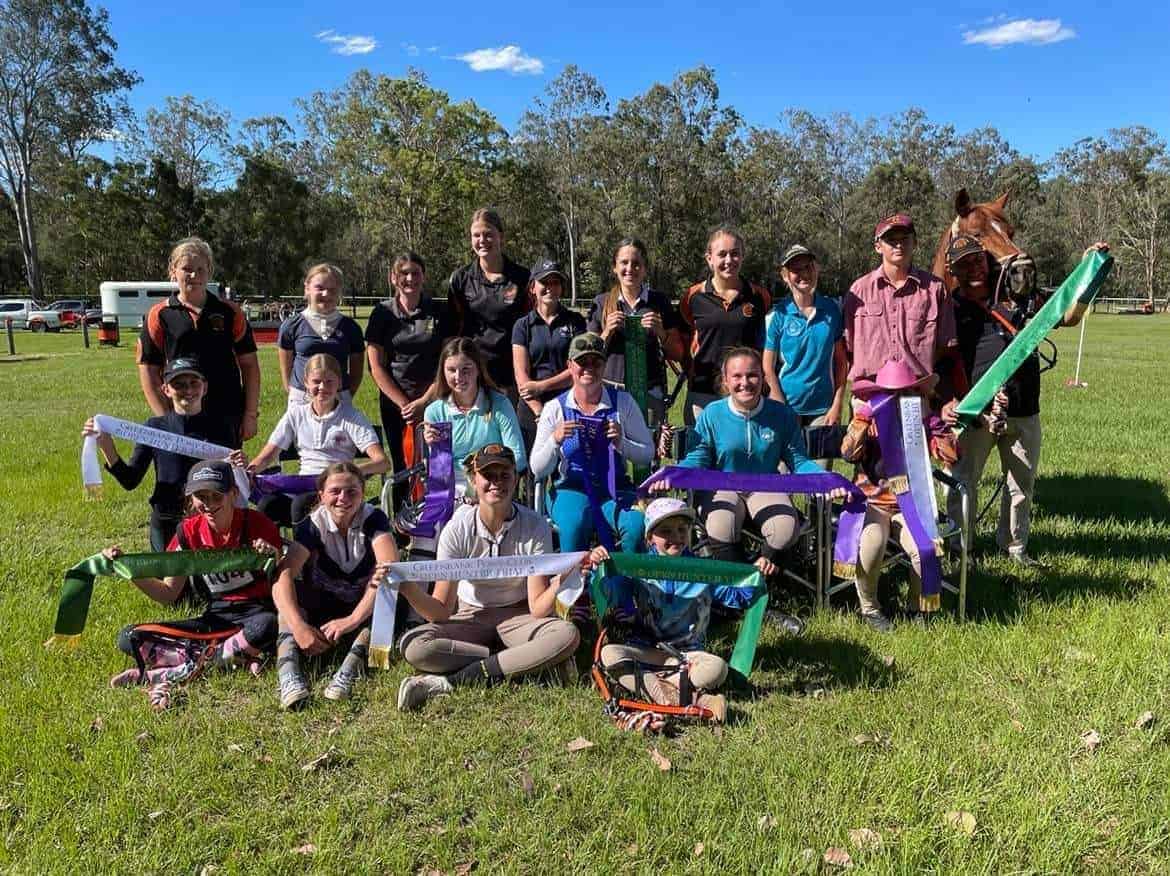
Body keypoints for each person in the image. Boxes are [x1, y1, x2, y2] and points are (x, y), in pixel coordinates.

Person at [394, 444, 581, 711]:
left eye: (504, 475)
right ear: (473, 479)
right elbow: (441, 611)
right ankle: (519, 661)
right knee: (415, 646)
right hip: (470, 615)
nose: (496, 483)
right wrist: (406, 588)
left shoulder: (535, 525)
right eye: (488, 475)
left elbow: (538, 608)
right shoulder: (457, 529)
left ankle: (452, 681)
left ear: (515, 479)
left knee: (567, 634)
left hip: (519, 615)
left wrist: (563, 579)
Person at [103, 460, 281, 706]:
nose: (208, 504)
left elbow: (283, 570)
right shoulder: (187, 532)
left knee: (267, 625)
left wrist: (271, 554)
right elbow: (168, 593)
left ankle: (163, 673)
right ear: (191, 498)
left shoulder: (257, 523)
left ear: (233, 494)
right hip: (215, 621)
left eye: (216, 496)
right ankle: (228, 658)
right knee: (130, 637)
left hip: (256, 615)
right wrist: (129, 570)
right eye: (201, 497)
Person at [587, 498, 771, 723]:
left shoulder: (704, 570)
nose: (676, 537)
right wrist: (598, 567)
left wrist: (756, 575)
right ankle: (693, 700)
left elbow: (739, 598)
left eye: (682, 530)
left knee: (717, 668)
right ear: (649, 538)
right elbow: (611, 592)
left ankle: (654, 692)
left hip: (687, 658)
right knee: (609, 654)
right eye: (666, 531)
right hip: (646, 651)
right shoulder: (638, 566)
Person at [943, 233, 1045, 565]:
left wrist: (1090, 268)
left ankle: (1015, 548)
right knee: (963, 482)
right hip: (977, 411)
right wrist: (952, 401)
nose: (973, 268)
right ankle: (961, 549)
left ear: (987, 261)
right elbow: (943, 362)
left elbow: (1065, 313)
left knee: (1021, 484)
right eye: (964, 264)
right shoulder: (950, 310)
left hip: (1024, 406)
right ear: (952, 271)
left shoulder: (1016, 296)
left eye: (977, 259)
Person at [840, 360, 959, 631]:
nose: (898, 398)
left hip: (913, 503)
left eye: (905, 392)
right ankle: (869, 608)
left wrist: (935, 425)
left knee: (925, 549)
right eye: (890, 393)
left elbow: (952, 456)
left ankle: (918, 608)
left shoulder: (924, 422)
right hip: (873, 501)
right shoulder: (868, 420)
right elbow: (847, 453)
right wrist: (862, 420)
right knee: (872, 543)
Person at [271, 463, 398, 709]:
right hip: (324, 605)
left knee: (391, 598)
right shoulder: (312, 525)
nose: (343, 498)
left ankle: (350, 670)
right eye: (335, 491)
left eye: (352, 491)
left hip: (362, 607)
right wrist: (299, 627)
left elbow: (389, 569)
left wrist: (352, 619)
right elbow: (283, 576)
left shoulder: (375, 519)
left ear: (363, 493)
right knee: (288, 599)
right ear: (321, 495)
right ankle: (289, 676)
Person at [82, 357, 240, 551]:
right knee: (164, 571)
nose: (188, 390)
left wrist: (240, 465)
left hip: (208, 518)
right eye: (178, 385)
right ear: (166, 390)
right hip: (167, 520)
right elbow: (130, 480)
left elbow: (233, 481)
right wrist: (105, 444)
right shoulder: (154, 428)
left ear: (205, 387)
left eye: (194, 383)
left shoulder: (222, 427)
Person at [529, 332, 653, 553]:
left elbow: (647, 453)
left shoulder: (623, 402)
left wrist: (621, 442)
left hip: (615, 487)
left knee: (635, 526)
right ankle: (573, 575)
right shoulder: (555, 408)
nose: (589, 368)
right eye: (582, 362)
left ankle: (625, 575)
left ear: (604, 366)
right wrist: (555, 439)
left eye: (596, 362)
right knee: (574, 526)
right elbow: (537, 468)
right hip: (571, 487)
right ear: (570, 365)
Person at [137, 237, 261, 447]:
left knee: (224, 468)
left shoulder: (230, 312)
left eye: (200, 269)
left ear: (209, 271)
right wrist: (166, 420)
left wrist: (249, 414)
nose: (194, 275)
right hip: (181, 412)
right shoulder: (159, 315)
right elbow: (148, 371)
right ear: (173, 271)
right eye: (186, 269)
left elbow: (249, 366)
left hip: (226, 412)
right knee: (180, 468)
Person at [247, 353, 388, 526]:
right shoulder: (296, 414)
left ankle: (306, 544)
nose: (322, 387)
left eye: (329, 382)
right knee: (267, 504)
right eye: (316, 381)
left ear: (339, 383)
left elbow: (382, 462)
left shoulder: (352, 417)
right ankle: (272, 544)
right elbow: (268, 455)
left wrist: (346, 473)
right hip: (302, 485)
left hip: (336, 490)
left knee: (300, 505)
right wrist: (249, 471)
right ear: (306, 382)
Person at [842, 214, 960, 417]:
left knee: (916, 440)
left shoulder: (935, 290)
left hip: (916, 398)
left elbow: (945, 348)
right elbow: (847, 347)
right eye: (891, 240)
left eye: (904, 239)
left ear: (915, 243)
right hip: (868, 399)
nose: (898, 245)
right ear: (878, 246)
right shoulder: (859, 291)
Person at [365, 252, 447, 506]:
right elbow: (376, 366)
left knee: (438, 462)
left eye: (415, 273)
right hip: (396, 405)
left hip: (435, 400)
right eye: (404, 273)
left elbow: (448, 362)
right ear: (393, 278)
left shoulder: (438, 311)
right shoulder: (382, 313)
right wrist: (405, 405)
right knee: (402, 464)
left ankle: (437, 515)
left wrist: (424, 401)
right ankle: (402, 520)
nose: (410, 278)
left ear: (424, 276)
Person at [586, 238, 686, 427]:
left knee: (649, 446)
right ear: (614, 267)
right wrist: (607, 332)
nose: (630, 268)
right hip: (609, 392)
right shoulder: (601, 303)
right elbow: (588, 356)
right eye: (624, 262)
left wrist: (661, 332)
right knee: (611, 446)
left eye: (636, 263)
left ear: (645, 268)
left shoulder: (659, 302)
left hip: (650, 394)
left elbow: (677, 353)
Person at [680, 225, 771, 424]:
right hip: (703, 393)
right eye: (722, 254)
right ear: (709, 258)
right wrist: (690, 371)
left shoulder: (759, 296)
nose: (729, 260)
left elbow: (766, 344)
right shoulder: (692, 297)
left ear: (743, 256)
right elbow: (682, 341)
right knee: (702, 444)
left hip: (745, 391)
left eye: (735, 254)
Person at [423, 337, 527, 495]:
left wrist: (486, 480)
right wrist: (433, 447)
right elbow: (440, 470)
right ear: (442, 372)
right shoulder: (434, 412)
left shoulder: (499, 404)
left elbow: (518, 457)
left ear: (478, 369)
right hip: (451, 487)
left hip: (492, 483)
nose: (458, 377)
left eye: (466, 369)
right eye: (451, 370)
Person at [446, 208, 531, 392]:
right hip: (472, 376)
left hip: (511, 376)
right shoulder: (460, 279)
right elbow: (452, 331)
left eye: (488, 234)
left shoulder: (522, 277)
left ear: (501, 237)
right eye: (476, 235)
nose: (482, 240)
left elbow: (530, 327)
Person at [763, 245, 847, 427]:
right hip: (787, 407)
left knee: (823, 448)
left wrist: (837, 404)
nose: (804, 274)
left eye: (808, 267)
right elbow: (767, 367)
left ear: (816, 269)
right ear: (785, 276)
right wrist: (778, 402)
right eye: (796, 270)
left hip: (824, 410)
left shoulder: (832, 310)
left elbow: (841, 362)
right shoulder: (778, 315)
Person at [511, 258, 587, 452]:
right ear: (532, 287)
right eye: (544, 282)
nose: (550, 288)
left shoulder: (576, 322)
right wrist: (540, 412)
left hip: (568, 406)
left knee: (568, 466)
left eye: (556, 282)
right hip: (531, 410)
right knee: (533, 468)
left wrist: (540, 386)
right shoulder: (522, 326)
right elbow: (522, 378)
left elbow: (578, 370)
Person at [277, 263, 365, 408]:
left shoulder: (351, 328)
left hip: (339, 400)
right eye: (320, 288)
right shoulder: (291, 326)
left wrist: (342, 396)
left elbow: (356, 373)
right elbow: (286, 373)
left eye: (332, 289)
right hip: (301, 400)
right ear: (307, 288)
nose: (326, 294)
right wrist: (297, 394)